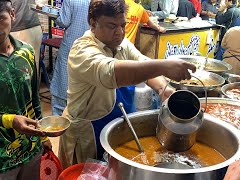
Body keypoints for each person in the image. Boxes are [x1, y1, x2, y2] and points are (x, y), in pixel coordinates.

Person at [58, 0, 196, 169]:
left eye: (123, 25)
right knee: (86, 174)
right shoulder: (83, 50)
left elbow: (142, 63)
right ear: (93, 23)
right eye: (111, 26)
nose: (120, 32)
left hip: (115, 125)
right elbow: (113, 73)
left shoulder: (121, 44)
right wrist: (164, 65)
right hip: (87, 133)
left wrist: (164, 90)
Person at [0, 1, 51, 179]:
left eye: (1, 19)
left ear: (12, 14)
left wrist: (43, 137)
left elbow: (34, 99)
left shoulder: (27, 52)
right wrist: (9, 120)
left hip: (30, 148)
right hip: (3, 160)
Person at [50, 0, 90, 116]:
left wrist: (55, 14)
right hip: (89, 48)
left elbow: (63, 21)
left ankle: (59, 125)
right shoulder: (97, 2)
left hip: (71, 47)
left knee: (62, 86)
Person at [10, 0, 42, 78]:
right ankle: (34, 89)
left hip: (18, 29)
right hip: (35, 27)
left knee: (20, 69)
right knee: (34, 65)